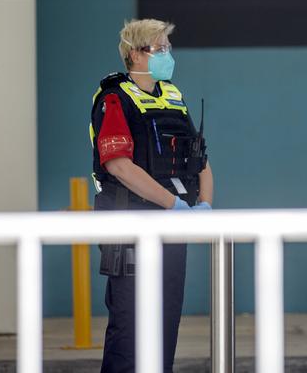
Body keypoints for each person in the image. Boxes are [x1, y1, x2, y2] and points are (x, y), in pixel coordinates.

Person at [89, 18, 214, 373]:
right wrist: (173, 204)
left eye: (168, 48)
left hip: (173, 230)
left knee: (165, 327)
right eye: (157, 49)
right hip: (131, 231)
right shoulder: (114, 98)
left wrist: (203, 205)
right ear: (133, 54)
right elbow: (118, 165)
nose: (166, 55)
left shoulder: (173, 96)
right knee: (130, 335)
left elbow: (201, 160)